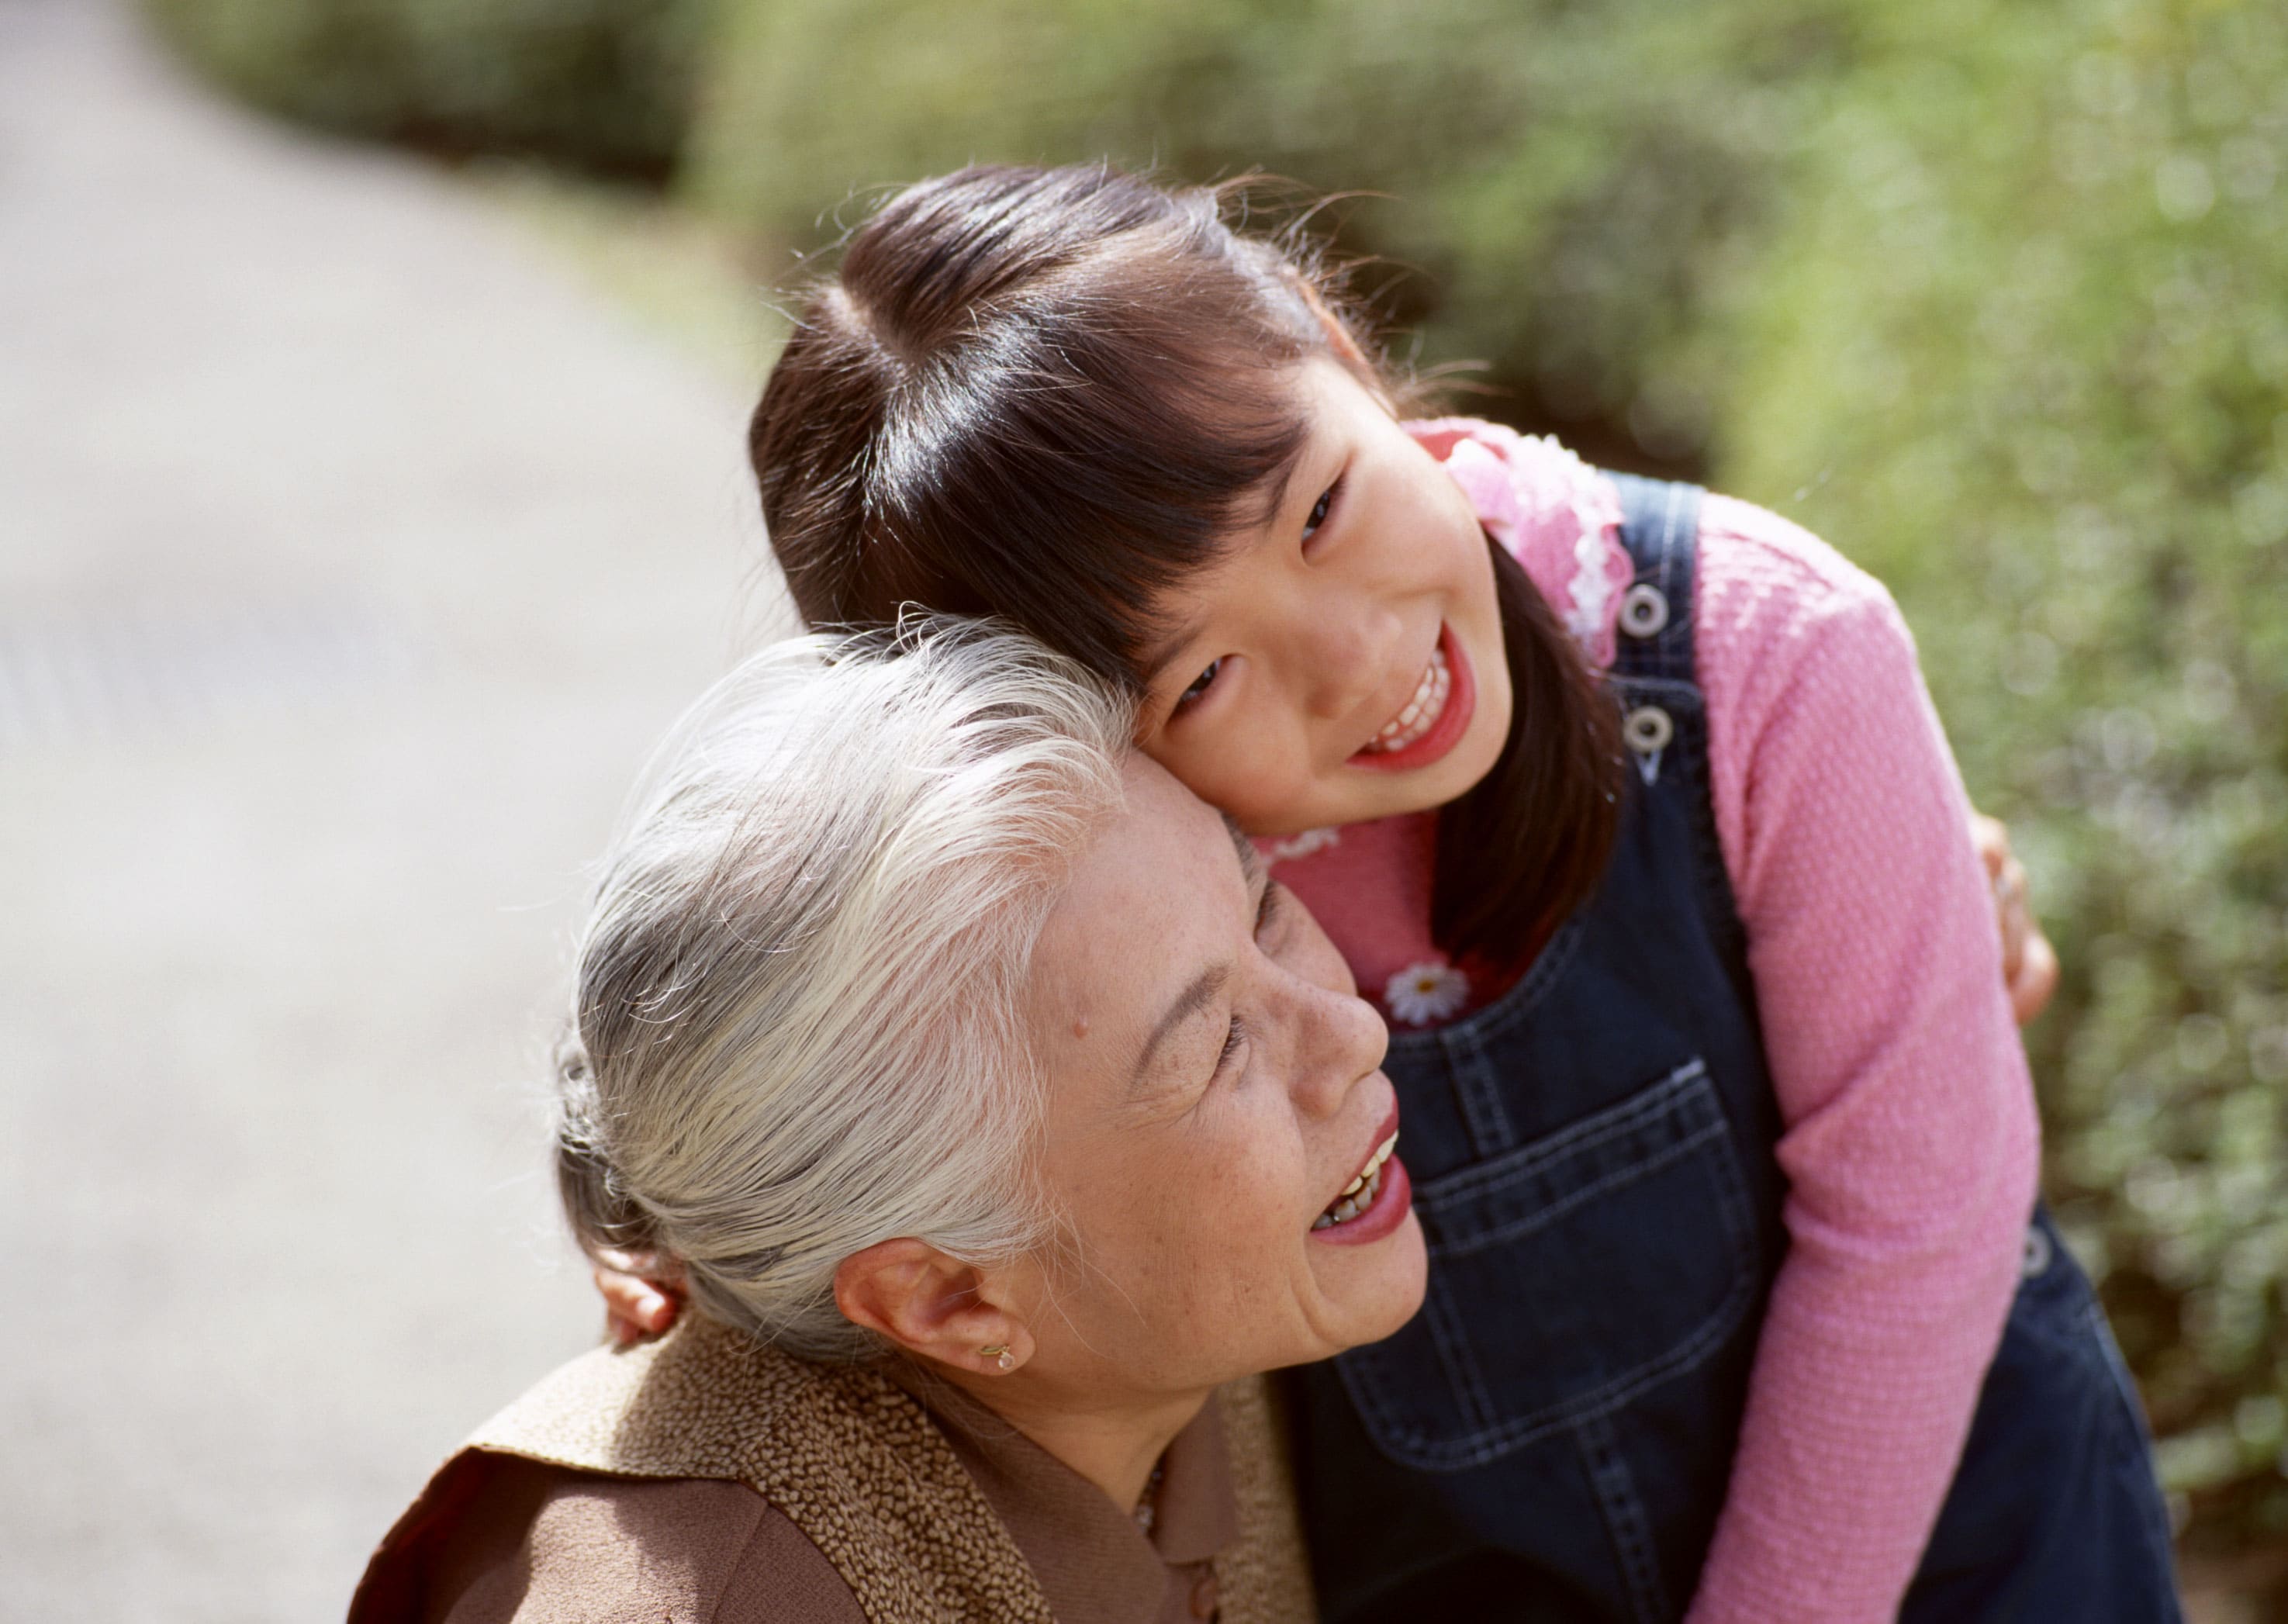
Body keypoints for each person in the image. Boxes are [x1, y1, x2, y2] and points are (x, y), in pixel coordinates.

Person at [600, 166, 2176, 1622]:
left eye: (1321, 509)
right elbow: (800, 945)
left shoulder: (1763, 650)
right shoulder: (1135, 869)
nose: (1351, 659)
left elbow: (1917, 1224)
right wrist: (659, 1203)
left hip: (1967, 1542)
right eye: (1204, 675)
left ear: (1339, 351)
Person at [354, 623, 1419, 1622]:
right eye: (1218, 1047)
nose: (1352, 1030)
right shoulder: (700, 1592)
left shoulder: (1169, 1313)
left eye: (1265, 905)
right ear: (945, 1296)